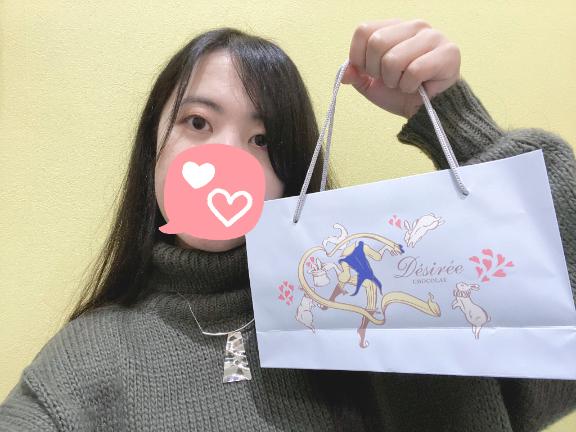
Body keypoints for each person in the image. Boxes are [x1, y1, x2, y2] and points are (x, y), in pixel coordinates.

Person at [1, 18, 575, 432]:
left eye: (263, 139)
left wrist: (452, 116)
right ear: (152, 145)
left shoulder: (377, 307)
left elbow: (558, 325)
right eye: (197, 122)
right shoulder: (84, 363)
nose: (229, 159)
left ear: (291, 170)